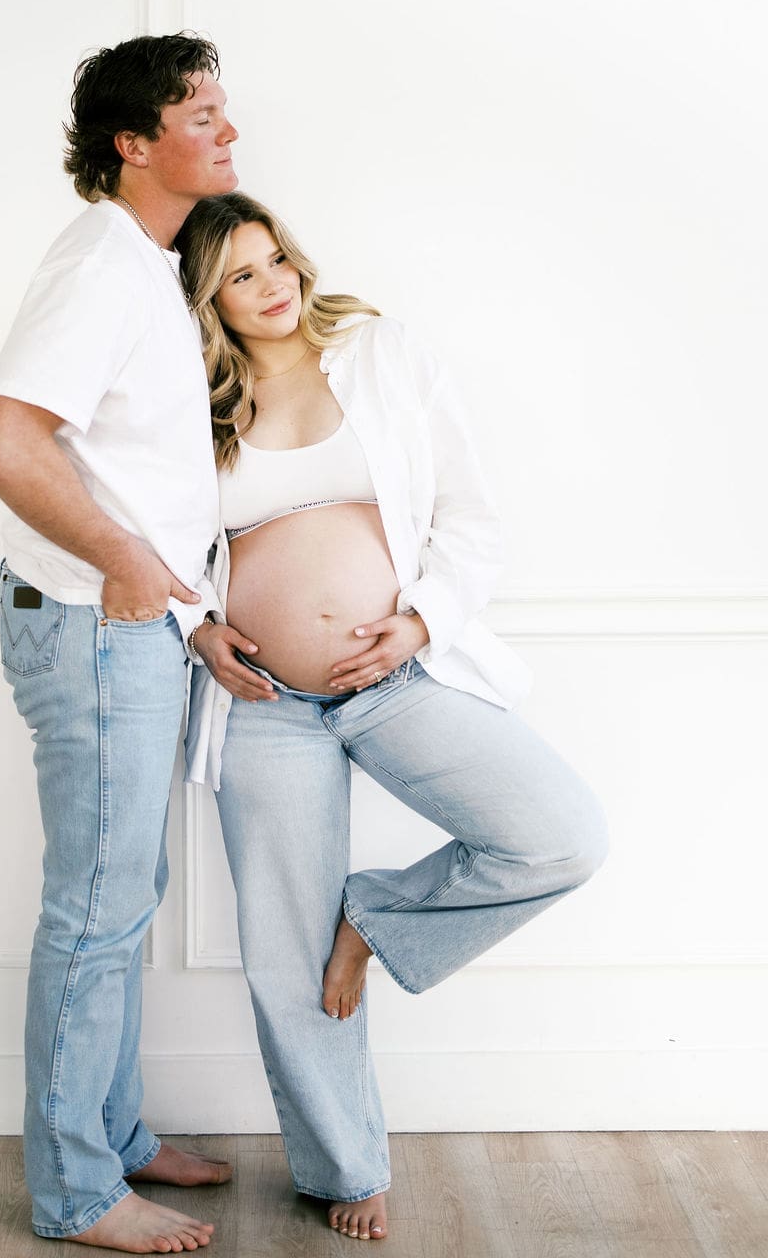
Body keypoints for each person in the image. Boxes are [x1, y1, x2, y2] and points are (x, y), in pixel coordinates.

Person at [176, 191, 609, 1243]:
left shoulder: (381, 355)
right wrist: (196, 626)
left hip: (400, 680)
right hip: (264, 704)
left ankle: (372, 921)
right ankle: (341, 1166)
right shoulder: (190, 402)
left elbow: (470, 515)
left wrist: (419, 624)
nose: (273, 284)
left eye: (276, 259)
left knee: (558, 837)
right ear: (207, 300)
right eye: (241, 274)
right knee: (284, 952)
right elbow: (151, 540)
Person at [0, 34, 245, 1253]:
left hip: (131, 625)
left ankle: (116, 1136)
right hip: (90, 626)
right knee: (95, 907)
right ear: (133, 143)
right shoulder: (97, 267)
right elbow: (5, 442)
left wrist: (187, 614)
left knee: (122, 897)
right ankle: (77, 1189)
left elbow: (136, 474)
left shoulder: (143, 265)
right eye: (202, 114)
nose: (228, 131)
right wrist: (134, 572)